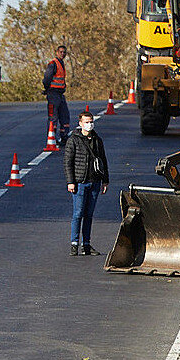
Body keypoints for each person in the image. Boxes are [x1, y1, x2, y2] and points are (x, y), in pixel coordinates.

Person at [64, 109, 109, 256]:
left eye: (91, 122)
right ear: (80, 123)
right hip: (80, 183)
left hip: (94, 182)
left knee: (89, 215)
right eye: (87, 122)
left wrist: (105, 181)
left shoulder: (97, 140)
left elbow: (103, 160)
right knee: (78, 214)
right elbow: (68, 162)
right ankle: (74, 243)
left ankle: (87, 244)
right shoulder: (74, 140)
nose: (89, 125)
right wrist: (71, 182)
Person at [43, 44, 70, 131]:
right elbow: (46, 78)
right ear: (57, 52)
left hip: (60, 94)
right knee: (53, 117)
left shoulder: (61, 63)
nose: (63, 54)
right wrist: (47, 89)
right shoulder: (53, 64)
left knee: (64, 116)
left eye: (64, 52)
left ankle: (64, 138)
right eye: (61, 52)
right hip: (53, 94)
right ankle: (51, 140)